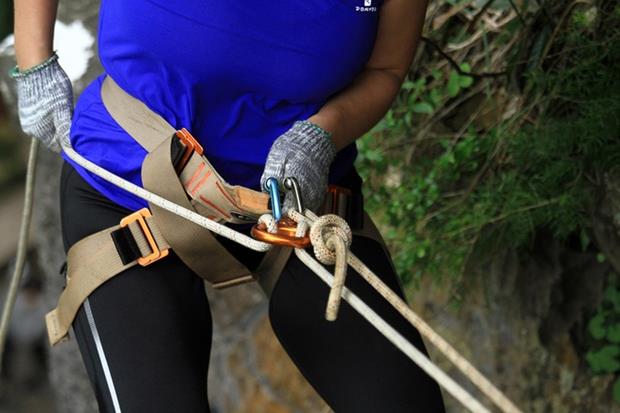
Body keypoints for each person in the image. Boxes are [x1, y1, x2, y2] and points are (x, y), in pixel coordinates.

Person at [12, 0, 446, 412]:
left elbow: (385, 68)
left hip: (295, 198)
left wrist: (321, 136)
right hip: (129, 178)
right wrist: (35, 64)